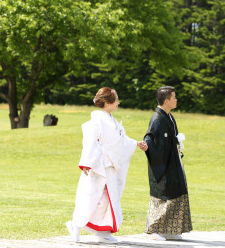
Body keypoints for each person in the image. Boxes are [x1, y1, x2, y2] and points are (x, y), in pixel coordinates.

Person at [66, 87, 148, 243]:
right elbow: (89, 141)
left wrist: (136, 143)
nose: (118, 102)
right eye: (116, 99)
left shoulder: (112, 120)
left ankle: (102, 231)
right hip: (98, 165)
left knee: (108, 200)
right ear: (106, 102)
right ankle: (75, 225)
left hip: (110, 166)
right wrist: (87, 163)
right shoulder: (97, 120)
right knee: (90, 197)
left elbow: (121, 141)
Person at [143, 86, 192, 241]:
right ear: (166, 100)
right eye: (174, 97)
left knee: (177, 193)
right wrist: (147, 146)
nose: (176, 100)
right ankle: (152, 230)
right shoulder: (157, 118)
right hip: (163, 165)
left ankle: (168, 229)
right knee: (164, 196)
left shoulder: (169, 116)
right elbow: (150, 139)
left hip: (173, 163)